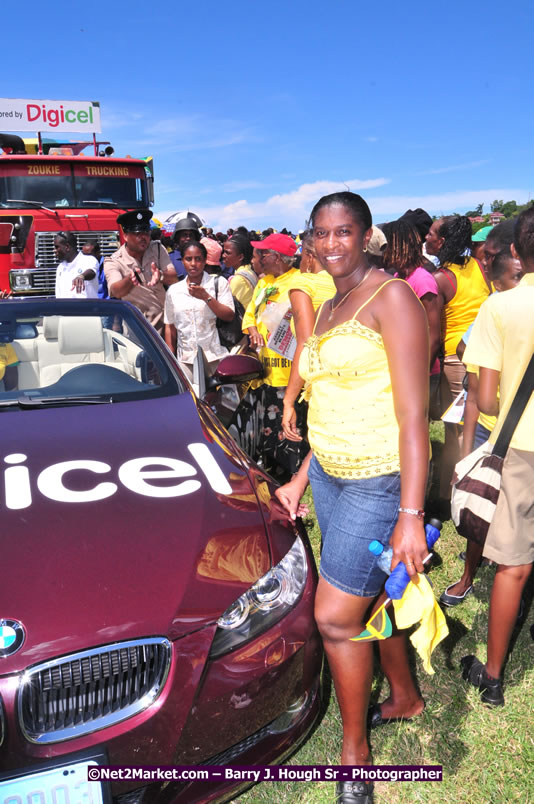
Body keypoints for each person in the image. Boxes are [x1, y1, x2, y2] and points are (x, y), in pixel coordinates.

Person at [276, 192, 429, 803]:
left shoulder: (391, 297)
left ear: (366, 235)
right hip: (330, 477)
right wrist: (302, 474)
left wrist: (412, 515)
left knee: (334, 616)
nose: (331, 244)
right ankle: (406, 696)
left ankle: (354, 753)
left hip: (379, 480)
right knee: (367, 598)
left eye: (344, 232)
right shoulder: (332, 303)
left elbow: (415, 416)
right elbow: (336, 401)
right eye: (321, 233)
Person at [460, 205, 534, 706]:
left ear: (514, 250)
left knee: (513, 566)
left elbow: (485, 402)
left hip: (522, 448)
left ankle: (491, 675)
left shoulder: (502, 307)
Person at [440, 250, 524, 607]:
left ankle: (491, 574)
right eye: (512, 281)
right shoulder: (494, 311)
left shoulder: (501, 308)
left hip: (504, 430)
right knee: (483, 504)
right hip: (494, 433)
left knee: (508, 511)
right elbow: (474, 391)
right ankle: (471, 572)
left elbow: (483, 396)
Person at [426, 215, 491, 510]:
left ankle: (452, 494)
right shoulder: (479, 268)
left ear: (441, 242)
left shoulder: (442, 278)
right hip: (482, 355)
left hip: (456, 360)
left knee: (458, 430)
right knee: (473, 426)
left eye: (431, 234)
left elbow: (435, 330)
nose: (426, 238)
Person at [241, 233, 307, 481]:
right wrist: (254, 330)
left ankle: (292, 477)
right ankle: (270, 472)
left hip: (288, 373)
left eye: (262, 253)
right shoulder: (263, 282)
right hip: (263, 371)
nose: (257, 257)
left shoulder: (300, 282)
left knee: (288, 427)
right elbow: (250, 315)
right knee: (266, 430)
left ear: (276, 257)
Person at [281, 231, 336, 442]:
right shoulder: (344, 282)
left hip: (319, 383)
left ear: (310, 257)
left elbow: (306, 343)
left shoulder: (304, 284)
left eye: (302, 255)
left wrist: (289, 400)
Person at [164, 241, 234, 381]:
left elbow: (229, 315)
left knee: (218, 401)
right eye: (188, 259)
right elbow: (170, 326)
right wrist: (170, 360)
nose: (193, 264)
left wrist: (206, 297)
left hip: (214, 357)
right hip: (185, 360)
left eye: (198, 259)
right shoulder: (174, 291)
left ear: (204, 261)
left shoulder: (218, 283)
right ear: (182, 261)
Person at [104, 210, 176, 334]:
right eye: (138, 233)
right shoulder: (114, 261)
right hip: (140, 331)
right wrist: (129, 280)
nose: (144, 237)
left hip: (169, 324)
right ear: (125, 236)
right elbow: (115, 291)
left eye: (146, 232)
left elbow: (174, 278)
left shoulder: (158, 249)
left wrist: (161, 276)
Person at [54, 232, 99, 299]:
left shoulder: (89, 260)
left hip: (89, 309)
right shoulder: (60, 268)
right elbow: (59, 297)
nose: (54, 250)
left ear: (67, 247)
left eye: (57, 247)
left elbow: (91, 272)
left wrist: (81, 276)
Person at [224, 235, 258, 308]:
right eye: (224, 252)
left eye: (228, 253)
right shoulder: (249, 270)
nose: (223, 256)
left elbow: (228, 309)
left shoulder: (238, 280)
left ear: (240, 257)